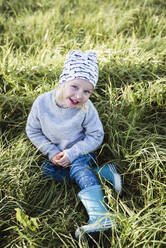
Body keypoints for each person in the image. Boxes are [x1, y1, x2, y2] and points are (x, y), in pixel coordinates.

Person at [26, 50, 122, 239]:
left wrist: (73, 153)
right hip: (57, 154)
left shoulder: (86, 108)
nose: (79, 95)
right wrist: (52, 152)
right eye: (75, 86)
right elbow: (33, 131)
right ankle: (104, 172)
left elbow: (95, 135)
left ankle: (101, 216)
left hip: (81, 150)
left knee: (78, 167)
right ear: (63, 81)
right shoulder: (42, 103)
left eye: (87, 91)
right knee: (48, 171)